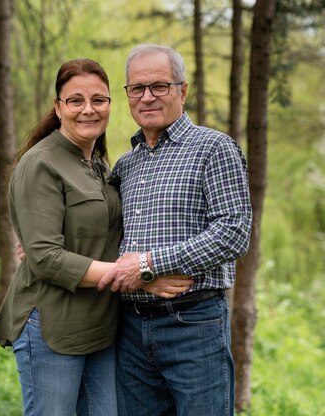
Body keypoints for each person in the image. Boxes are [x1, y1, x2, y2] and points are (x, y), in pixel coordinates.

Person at [0, 58, 192, 416]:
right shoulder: (41, 163)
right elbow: (47, 258)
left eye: (99, 100)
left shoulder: (99, 165)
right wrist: (140, 279)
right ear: (58, 107)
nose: (88, 110)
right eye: (76, 100)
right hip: (53, 323)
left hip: (101, 326)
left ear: (111, 105)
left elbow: (111, 233)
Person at [97, 44, 252, 416]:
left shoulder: (213, 148)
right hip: (130, 329)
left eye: (159, 86)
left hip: (193, 325)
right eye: (137, 88)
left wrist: (152, 264)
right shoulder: (126, 164)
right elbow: (105, 233)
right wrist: (37, 235)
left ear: (182, 91)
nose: (147, 97)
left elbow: (234, 231)